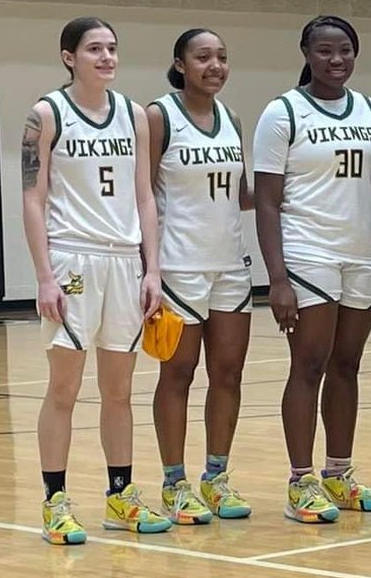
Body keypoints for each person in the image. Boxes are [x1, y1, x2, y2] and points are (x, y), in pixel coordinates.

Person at [23, 17, 172, 544]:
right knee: (63, 387)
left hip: (124, 264)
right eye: (94, 49)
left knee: (119, 390)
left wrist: (152, 268)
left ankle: (120, 497)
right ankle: (55, 502)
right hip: (73, 262)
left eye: (112, 48)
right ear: (69, 57)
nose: (107, 57)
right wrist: (44, 277)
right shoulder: (47, 114)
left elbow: (145, 197)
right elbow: (33, 198)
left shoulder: (133, 114)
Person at [254, 15, 371, 523]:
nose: (336, 60)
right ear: (307, 54)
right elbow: (267, 203)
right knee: (309, 365)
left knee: (348, 366)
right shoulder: (283, 112)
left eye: (345, 51)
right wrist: (278, 277)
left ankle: (338, 473)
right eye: (325, 51)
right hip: (308, 253)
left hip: (363, 253)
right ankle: (300, 481)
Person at [149, 29, 254, 524]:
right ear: (180, 63)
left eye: (223, 57)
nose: (215, 65)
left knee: (228, 373)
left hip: (231, 265)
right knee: (179, 373)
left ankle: (216, 477)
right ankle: (174, 483)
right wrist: (144, 268)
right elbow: (141, 196)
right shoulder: (158, 116)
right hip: (177, 267)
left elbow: (243, 193)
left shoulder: (231, 117)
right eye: (203, 56)